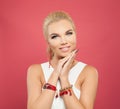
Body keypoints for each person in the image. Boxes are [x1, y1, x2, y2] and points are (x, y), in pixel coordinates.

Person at [27, 11, 98, 109]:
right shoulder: (35, 71)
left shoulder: (88, 72)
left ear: (75, 35)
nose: (64, 41)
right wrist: (56, 73)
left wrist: (64, 78)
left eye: (68, 33)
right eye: (55, 36)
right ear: (48, 41)